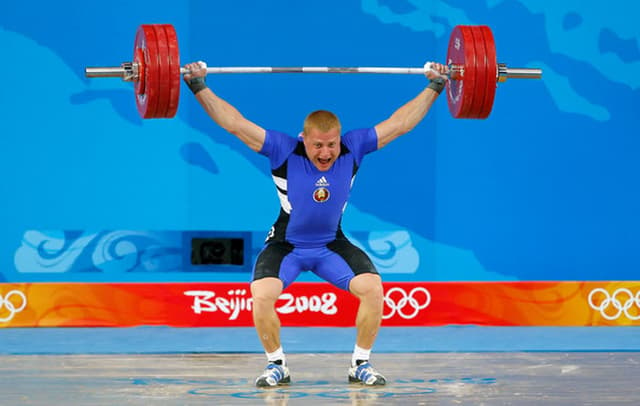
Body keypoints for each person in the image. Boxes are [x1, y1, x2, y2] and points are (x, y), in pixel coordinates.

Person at [183, 61, 447, 387]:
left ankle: (360, 364)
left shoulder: (355, 147)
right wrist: (198, 86)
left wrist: (435, 86)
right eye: (318, 145)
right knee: (261, 294)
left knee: (373, 289)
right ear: (303, 139)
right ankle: (276, 365)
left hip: (329, 244)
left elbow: (400, 124)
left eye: (331, 144)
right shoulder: (283, 150)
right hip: (287, 245)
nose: (326, 153)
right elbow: (235, 124)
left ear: (340, 140)